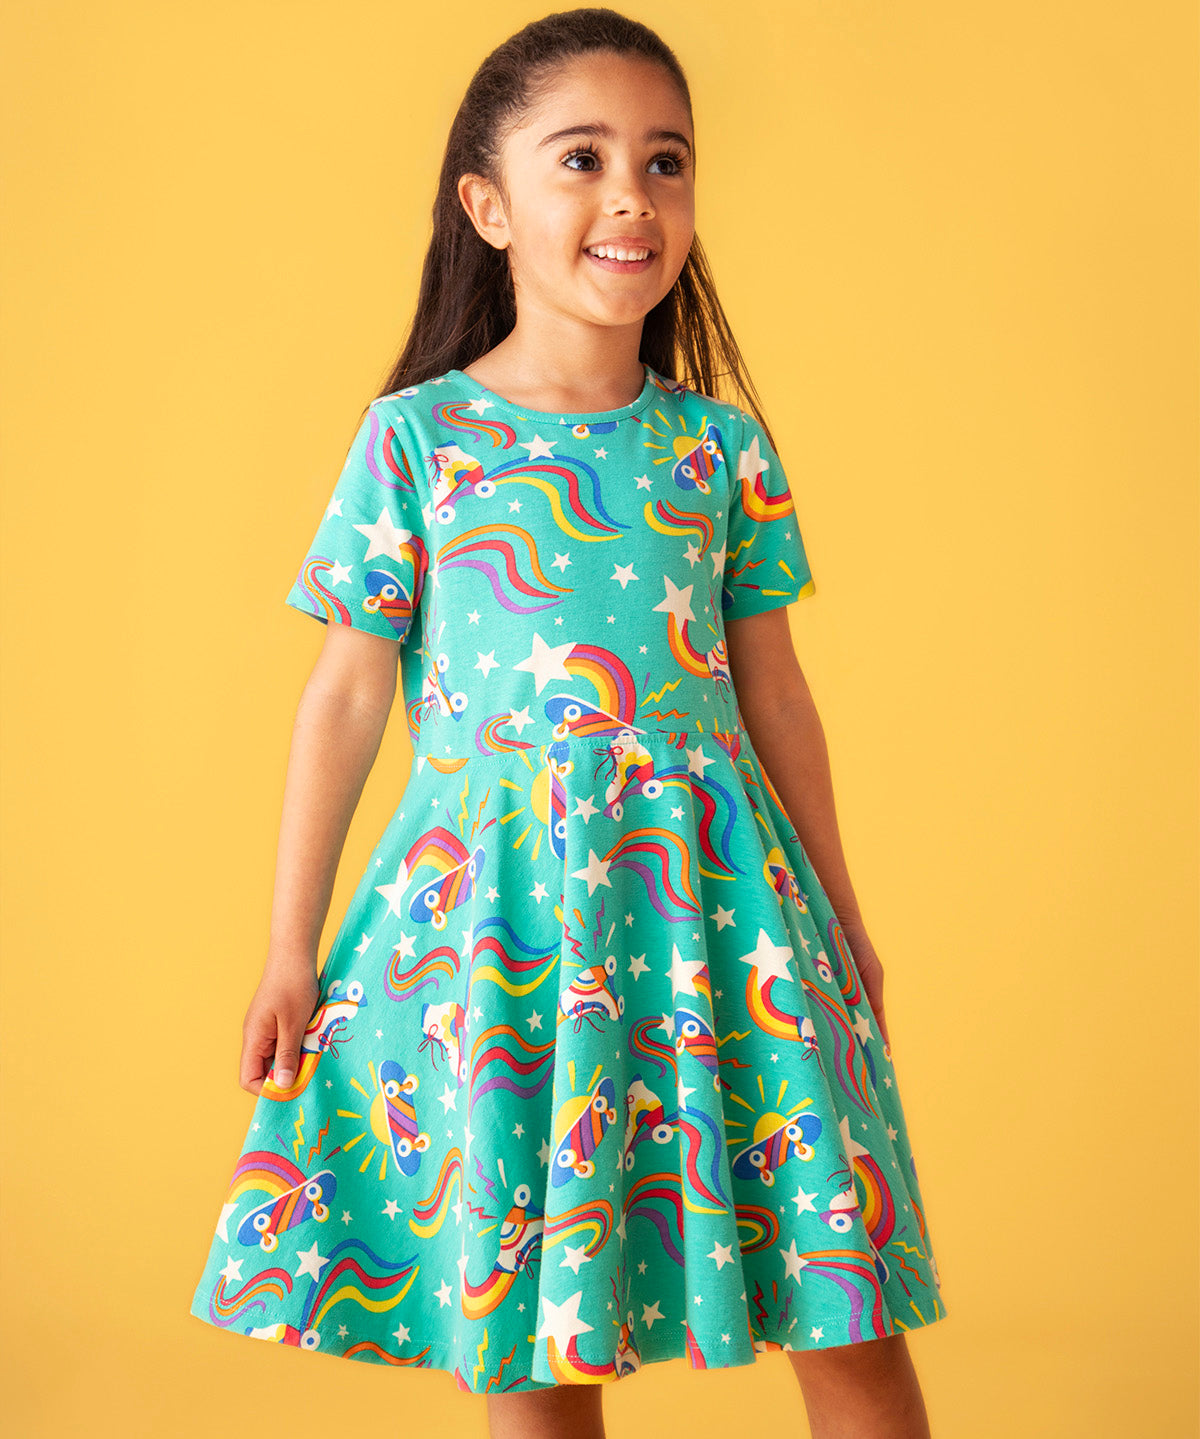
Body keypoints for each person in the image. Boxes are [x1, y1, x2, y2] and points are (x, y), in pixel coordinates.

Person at [188, 9, 948, 1437]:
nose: (631, 198)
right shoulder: (417, 442)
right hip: (509, 929)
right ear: (489, 207)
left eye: (668, 163)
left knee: (838, 1283)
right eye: (582, 158)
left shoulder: (720, 449)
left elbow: (773, 688)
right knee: (536, 1318)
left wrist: (840, 912)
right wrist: (289, 946)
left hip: (718, 910)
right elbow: (349, 691)